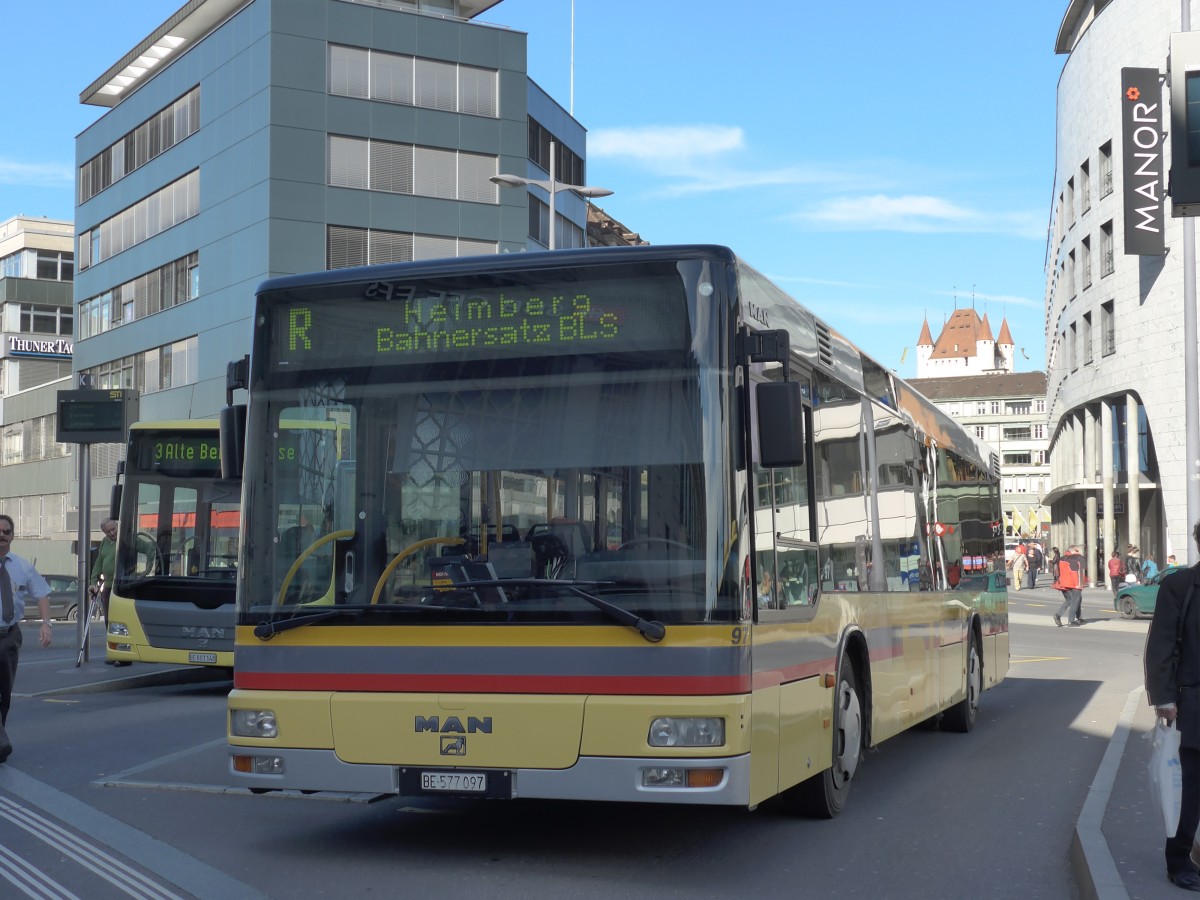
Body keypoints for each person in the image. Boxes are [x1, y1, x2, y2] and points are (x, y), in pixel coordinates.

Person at [1145, 520, 1200, 890]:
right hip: (1193, 703)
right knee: (1189, 789)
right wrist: (1164, 698)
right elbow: (1161, 645)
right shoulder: (1180, 586)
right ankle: (1179, 861)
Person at [0, 514, 53, 763]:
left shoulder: (22, 566)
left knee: (4, 692)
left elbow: (41, 594)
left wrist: (45, 624)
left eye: (6, 531)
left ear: (12, 535)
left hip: (8, 636)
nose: (2, 534)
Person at [90, 518, 117, 620]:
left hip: (123, 586)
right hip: (108, 587)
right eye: (108, 532)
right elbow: (99, 563)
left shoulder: (127, 538)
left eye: (113, 529)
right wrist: (93, 582)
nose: (112, 533)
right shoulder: (104, 541)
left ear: (117, 526)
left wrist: (145, 571)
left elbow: (149, 549)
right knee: (108, 620)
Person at [1053, 544, 1086, 626]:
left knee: (1070, 600)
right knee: (1076, 600)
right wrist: (1080, 583)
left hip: (1063, 583)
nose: (1078, 552)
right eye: (1077, 550)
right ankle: (1071, 621)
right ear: (1073, 551)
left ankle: (1058, 615)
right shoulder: (1077, 558)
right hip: (1074, 583)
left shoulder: (1062, 558)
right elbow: (1079, 571)